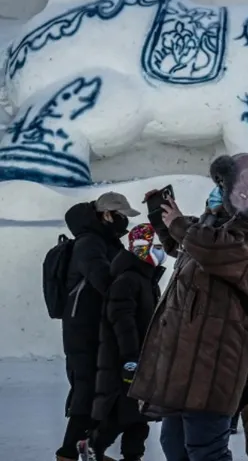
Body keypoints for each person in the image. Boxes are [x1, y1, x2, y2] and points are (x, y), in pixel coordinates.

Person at [129, 153, 248, 461]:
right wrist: (164, 217)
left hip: (214, 358)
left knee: (205, 450)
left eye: (224, 185)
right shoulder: (214, 226)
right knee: (174, 445)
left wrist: (180, 224)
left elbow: (211, 249)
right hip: (186, 361)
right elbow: (185, 246)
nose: (219, 192)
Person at [57, 192, 140, 461]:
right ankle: (68, 453)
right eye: (120, 217)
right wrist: (138, 265)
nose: (123, 223)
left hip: (100, 331)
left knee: (102, 392)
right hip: (84, 333)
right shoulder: (89, 243)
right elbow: (106, 281)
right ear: (106, 214)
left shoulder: (106, 242)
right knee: (87, 391)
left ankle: (87, 448)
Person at [85, 224, 166, 461]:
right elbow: (123, 323)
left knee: (140, 416)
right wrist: (131, 359)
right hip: (124, 362)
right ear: (143, 249)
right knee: (122, 413)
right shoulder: (128, 280)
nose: (161, 251)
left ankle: (133, 457)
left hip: (142, 360)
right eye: (157, 246)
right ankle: (91, 446)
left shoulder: (146, 279)